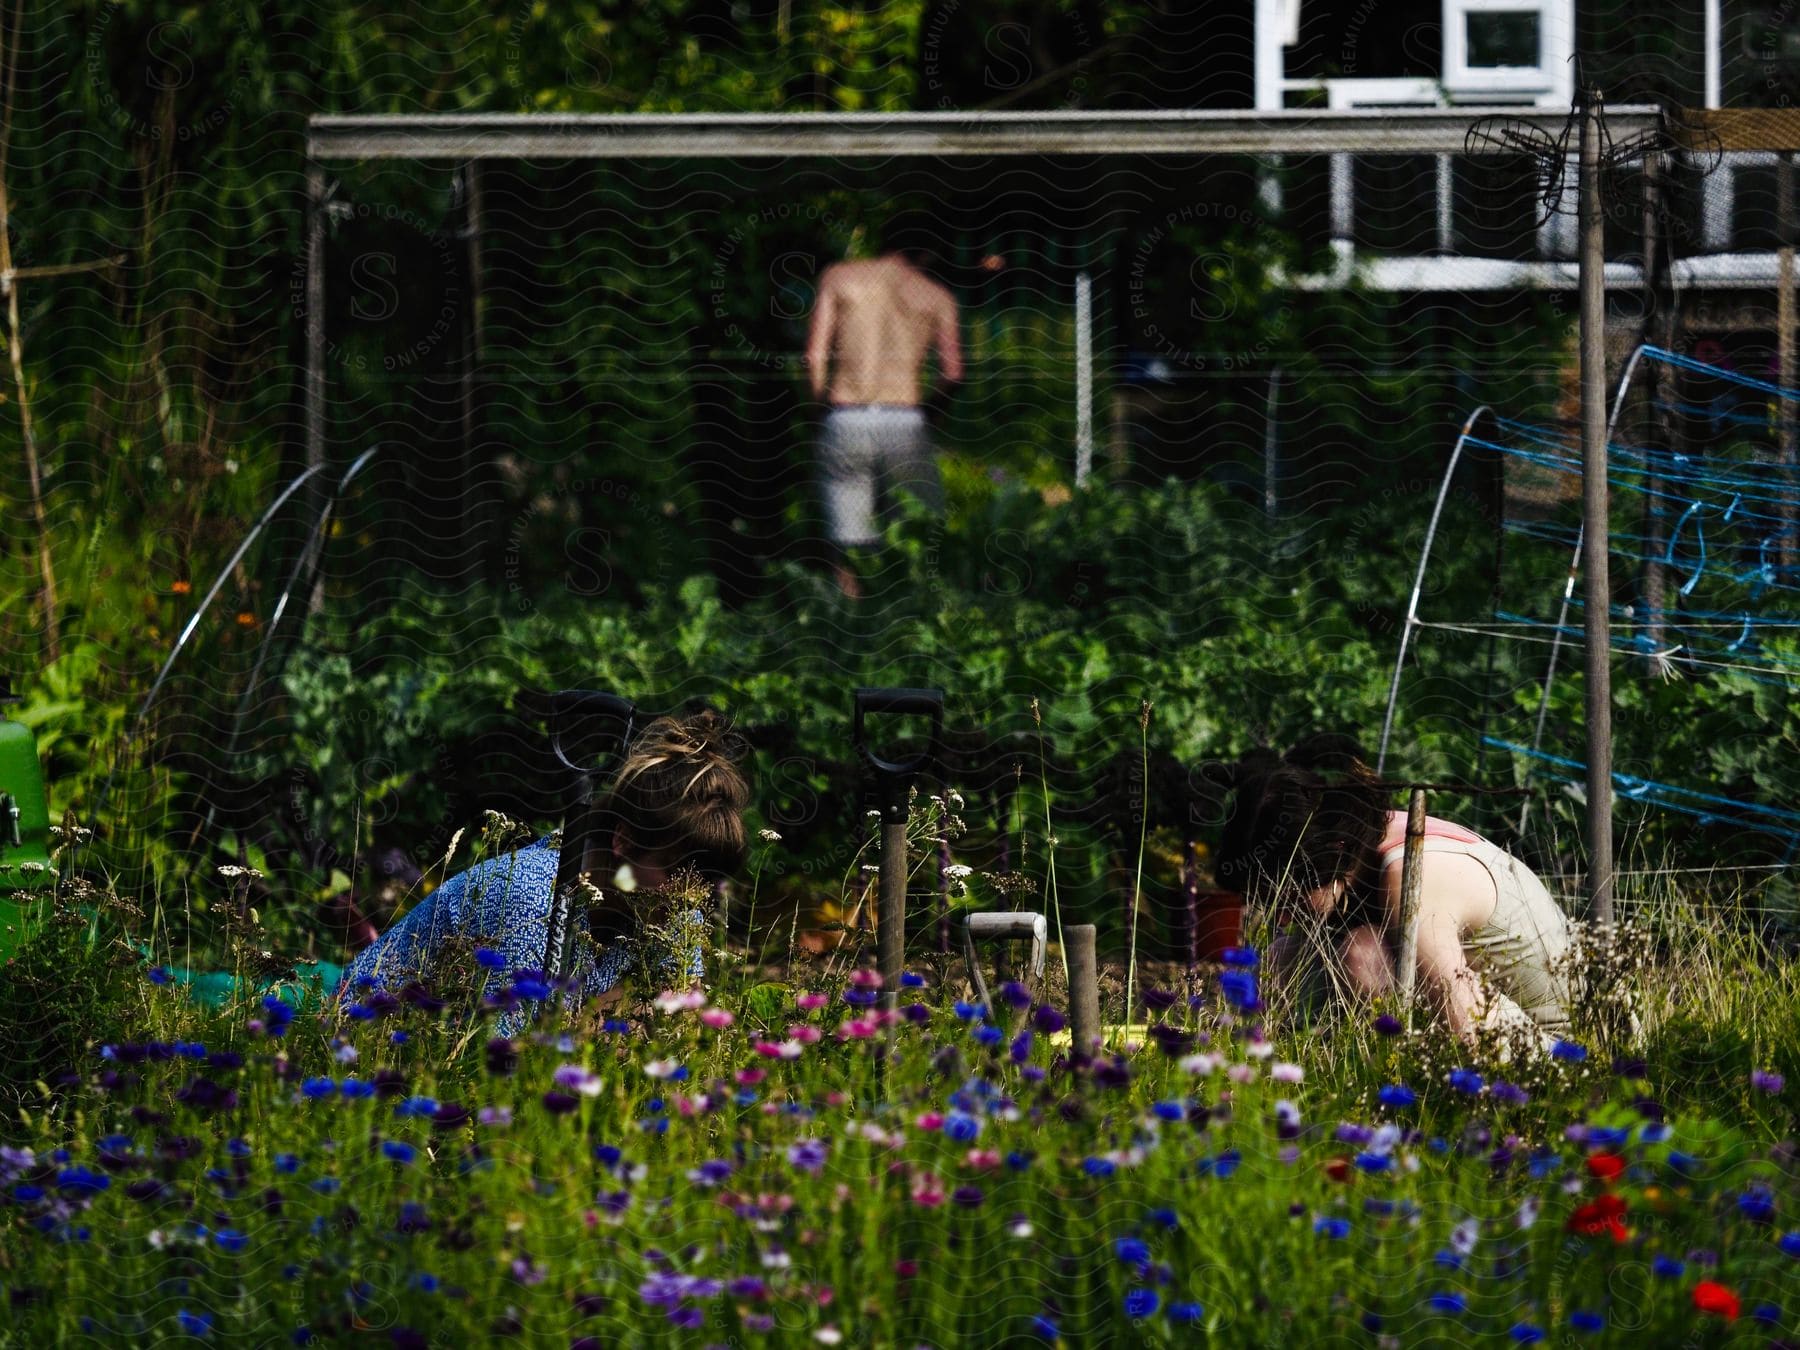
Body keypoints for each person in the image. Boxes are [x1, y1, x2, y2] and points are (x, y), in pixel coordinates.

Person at [336, 710, 750, 1027]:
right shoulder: (534, 894)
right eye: (680, 872)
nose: (695, 894)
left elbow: (681, 1019)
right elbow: (505, 1058)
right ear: (623, 840)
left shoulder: (671, 903)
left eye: (708, 880)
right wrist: (623, 1012)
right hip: (355, 1037)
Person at [1207, 734, 1577, 1049]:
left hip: (1560, 1050)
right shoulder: (1361, 848)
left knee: (1364, 956)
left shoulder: (1416, 871)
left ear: (1334, 851)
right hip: (1489, 1019)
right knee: (1282, 958)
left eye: (1288, 897)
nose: (1282, 915)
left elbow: (1467, 1030)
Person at [804, 217, 963, 597]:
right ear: (929, 252)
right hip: (905, 419)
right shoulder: (935, 296)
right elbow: (954, 372)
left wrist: (817, 407)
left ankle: (851, 632)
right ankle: (904, 626)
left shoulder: (840, 279)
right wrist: (929, 413)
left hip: (845, 416)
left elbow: (812, 357)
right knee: (913, 539)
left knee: (848, 545)